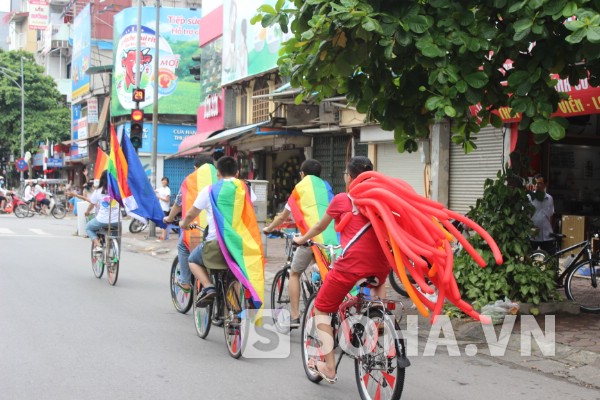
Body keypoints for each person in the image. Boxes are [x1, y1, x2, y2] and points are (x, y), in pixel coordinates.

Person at [293, 156, 391, 383]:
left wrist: (301, 239)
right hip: (381, 264)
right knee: (377, 285)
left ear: (350, 177)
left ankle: (328, 366)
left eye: (346, 175)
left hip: (352, 264)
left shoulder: (343, 199)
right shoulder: (382, 202)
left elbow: (319, 226)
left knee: (321, 309)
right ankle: (379, 318)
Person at [263, 159, 337, 328]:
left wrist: (269, 228)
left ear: (302, 175)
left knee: (295, 273)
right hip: (329, 240)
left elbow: (283, 216)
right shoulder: (326, 187)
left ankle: (295, 315)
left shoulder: (300, 189)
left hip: (310, 239)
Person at [179, 156, 257, 305]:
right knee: (234, 274)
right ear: (237, 172)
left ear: (218, 173)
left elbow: (191, 214)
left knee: (192, 260)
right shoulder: (246, 189)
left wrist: (184, 223)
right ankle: (235, 311)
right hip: (240, 245)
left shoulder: (209, 190)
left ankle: (208, 287)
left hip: (216, 244)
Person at [164, 155, 216, 292]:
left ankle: (185, 281)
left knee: (183, 246)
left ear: (195, 168)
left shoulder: (190, 181)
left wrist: (169, 218)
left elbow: (179, 204)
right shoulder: (221, 180)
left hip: (198, 230)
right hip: (228, 233)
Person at [84, 170, 121, 252]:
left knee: (88, 228)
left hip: (102, 220)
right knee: (117, 238)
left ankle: (98, 245)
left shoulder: (98, 191)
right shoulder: (118, 190)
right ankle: (116, 253)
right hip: (117, 221)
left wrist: (87, 212)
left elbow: (92, 204)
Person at [528, 174, 555, 254]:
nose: (537, 185)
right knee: (529, 259)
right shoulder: (529, 198)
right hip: (532, 235)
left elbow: (551, 216)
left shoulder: (549, 198)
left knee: (550, 259)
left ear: (545, 184)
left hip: (546, 235)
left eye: (540, 183)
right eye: (535, 183)